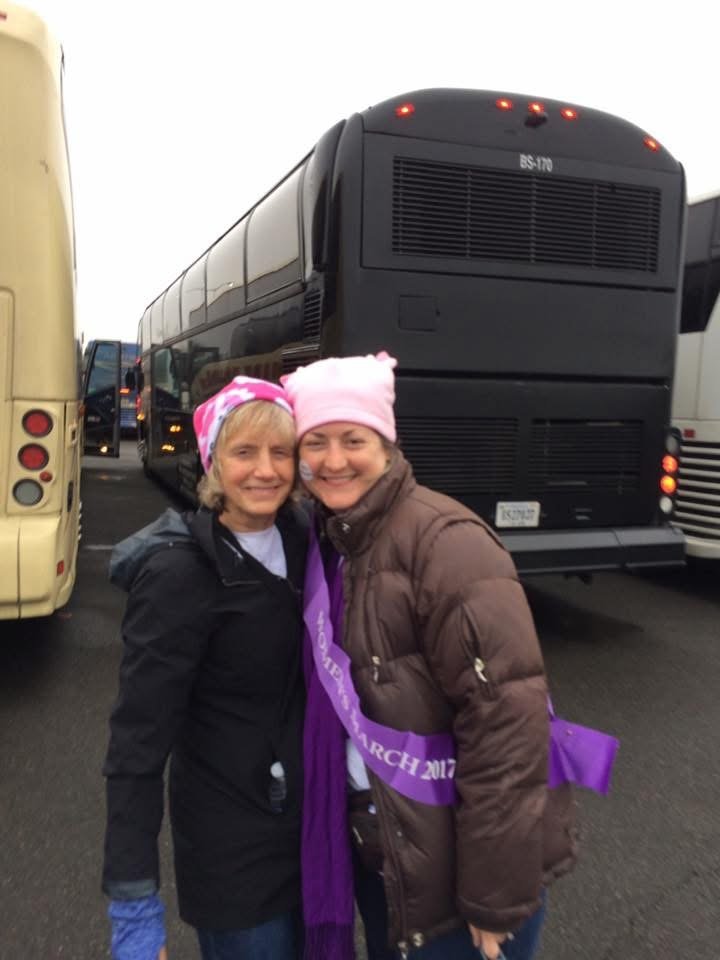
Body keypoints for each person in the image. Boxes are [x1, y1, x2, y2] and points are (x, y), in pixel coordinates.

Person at [282, 354, 577, 960]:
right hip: (390, 848)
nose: (334, 460)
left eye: (353, 439)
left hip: (460, 877)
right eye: (316, 442)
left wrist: (494, 897)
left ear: (387, 444)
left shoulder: (446, 542)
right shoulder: (335, 537)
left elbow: (506, 726)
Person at [102, 376, 308, 960]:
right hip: (232, 852)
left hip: (310, 832)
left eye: (280, 452)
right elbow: (136, 747)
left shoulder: (301, 540)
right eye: (244, 452)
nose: (265, 470)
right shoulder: (180, 578)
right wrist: (134, 906)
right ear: (213, 461)